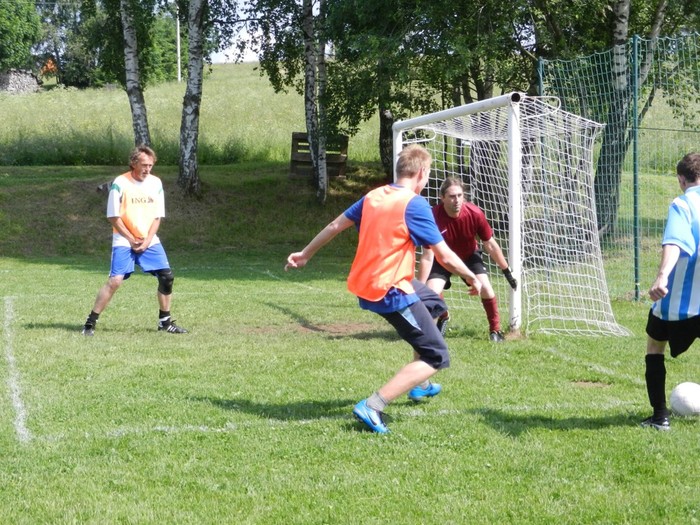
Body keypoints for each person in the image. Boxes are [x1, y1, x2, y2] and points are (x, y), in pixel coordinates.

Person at [285, 144, 482, 434]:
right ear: (421, 173)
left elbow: (335, 225)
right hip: (390, 290)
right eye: (428, 174)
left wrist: (305, 254)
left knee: (435, 305)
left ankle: (420, 384)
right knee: (436, 356)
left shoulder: (374, 196)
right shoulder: (414, 204)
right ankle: (373, 405)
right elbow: (444, 256)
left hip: (372, 281)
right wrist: (472, 277)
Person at [81, 145, 188, 336]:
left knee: (167, 277)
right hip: (124, 239)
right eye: (144, 165)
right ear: (133, 163)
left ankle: (165, 322)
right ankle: (90, 323)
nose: (148, 169)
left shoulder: (156, 183)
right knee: (115, 281)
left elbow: (157, 217)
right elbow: (113, 216)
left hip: (148, 239)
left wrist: (147, 240)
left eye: (151, 165)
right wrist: (131, 239)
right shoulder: (120, 183)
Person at [417, 177, 517, 342]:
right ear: (442, 198)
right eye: (452, 196)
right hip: (441, 259)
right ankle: (443, 315)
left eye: (459, 195)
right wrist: (420, 288)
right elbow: (427, 256)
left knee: (486, 289)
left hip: (469, 256)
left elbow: (490, 244)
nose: (456, 200)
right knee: (432, 292)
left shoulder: (475, 213)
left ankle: (495, 330)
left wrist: (506, 270)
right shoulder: (432, 217)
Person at [642, 153, 700, 431]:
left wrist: (662, 276)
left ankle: (660, 418)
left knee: (655, 347)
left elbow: (675, 242)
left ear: (681, 179)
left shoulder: (682, 205)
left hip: (677, 304)